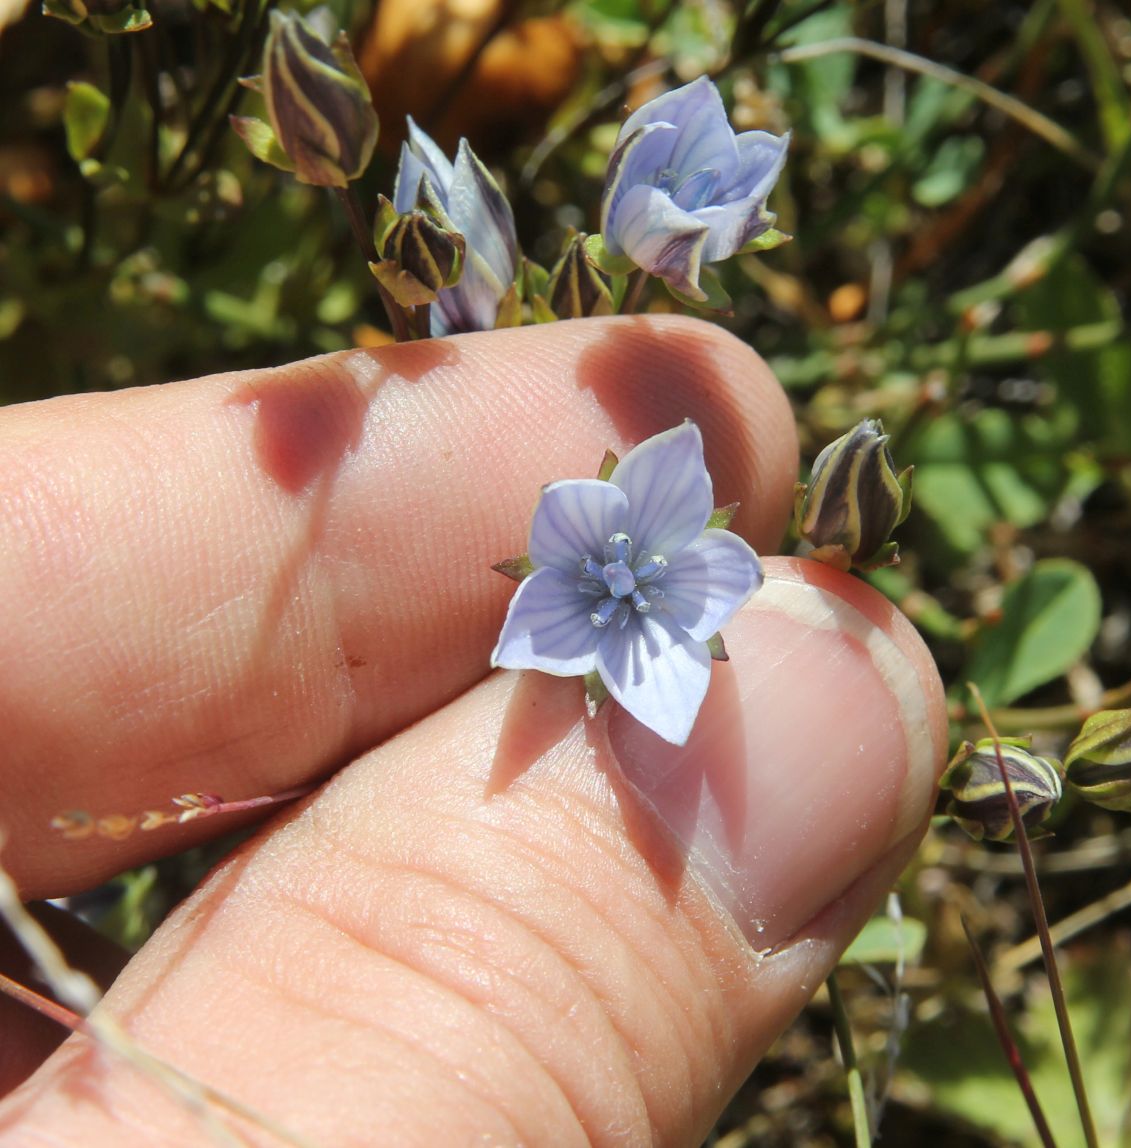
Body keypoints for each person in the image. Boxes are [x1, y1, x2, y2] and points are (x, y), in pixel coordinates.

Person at [0, 316, 945, 1145]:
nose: (621, 580)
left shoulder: (692, 571)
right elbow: (566, 590)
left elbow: (707, 588)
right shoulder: (557, 595)